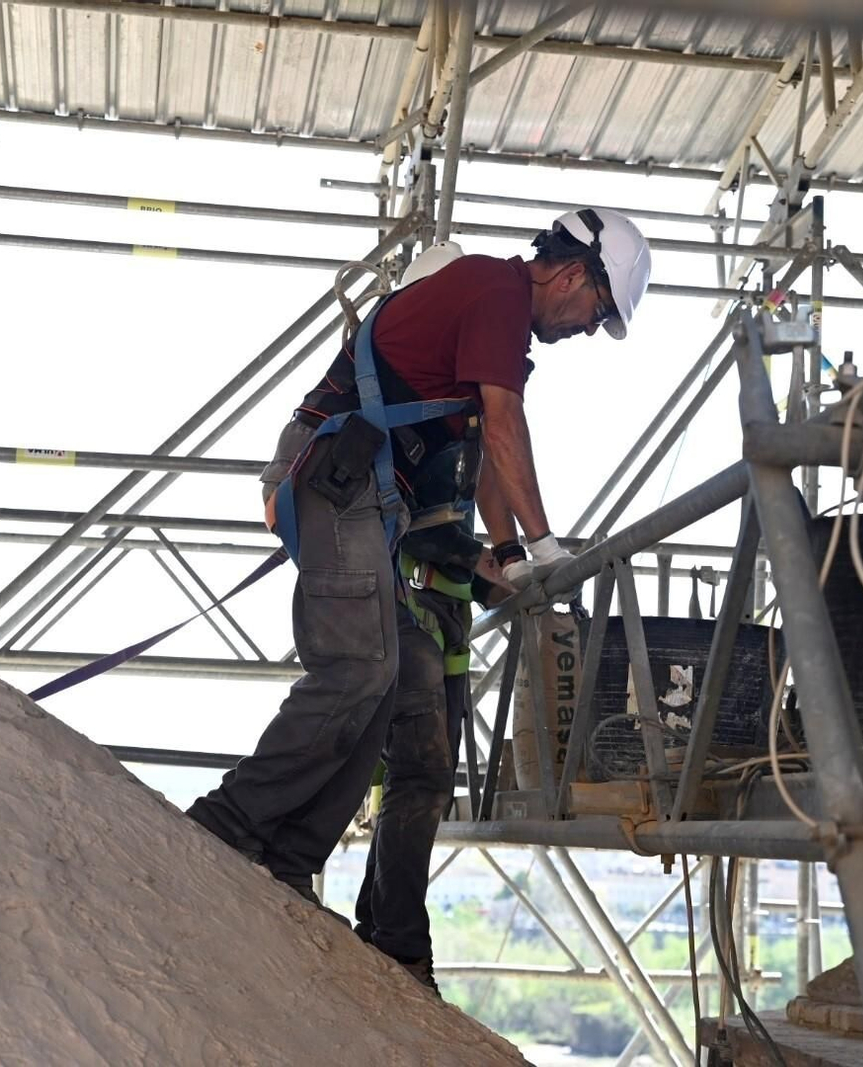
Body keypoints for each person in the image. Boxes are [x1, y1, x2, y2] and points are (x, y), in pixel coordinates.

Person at [186, 209, 652, 992]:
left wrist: (508, 554)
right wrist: (544, 545)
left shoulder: (497, 325)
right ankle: (229, 823)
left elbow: (491, 454)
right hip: (338, 475)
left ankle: (291, 856)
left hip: (362, 491)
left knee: (390, 683)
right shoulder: (493, 291)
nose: (585, 329)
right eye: (596, 313)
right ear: (575, 277)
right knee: (358, 670)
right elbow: (505, 428)